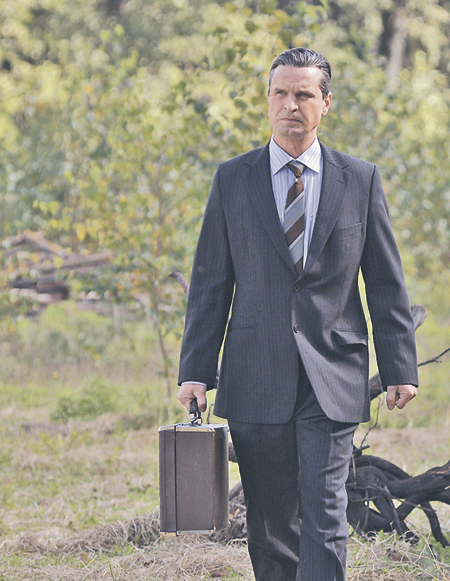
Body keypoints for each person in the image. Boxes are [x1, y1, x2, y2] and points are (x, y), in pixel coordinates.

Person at [176, 47, 419, 581]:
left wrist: (400, 366)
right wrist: (195, 369)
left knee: (327, 510)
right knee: (270, 519)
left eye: (304, 94)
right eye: (281, 93)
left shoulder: (359, 179)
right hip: (255, 371)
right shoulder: (233, 179)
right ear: (267, 100)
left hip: (332, 370)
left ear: (325, 103)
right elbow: (211, 283)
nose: (291, 104)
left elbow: (385, 281)